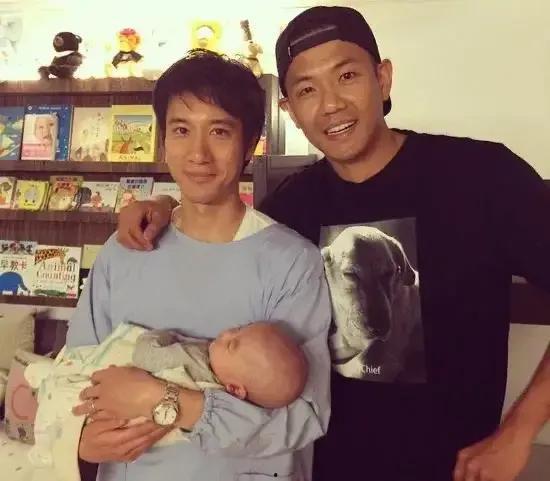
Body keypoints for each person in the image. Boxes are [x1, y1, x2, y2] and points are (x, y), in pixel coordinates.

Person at [117, 6, 550, 481]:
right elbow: (222, 224)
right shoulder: (289, 208)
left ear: (383, 79)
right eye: (307, 89)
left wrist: (519, 430)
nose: (330, 104)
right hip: (316, 468)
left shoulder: (482, 177)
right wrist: (164, 206)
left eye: (346, 76)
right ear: (289, 111)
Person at [68, 49, 331, 481]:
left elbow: (303, 417)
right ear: (162, 141)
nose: (198, 154)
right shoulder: (125, 249)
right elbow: (74, 370)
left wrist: (165, 400)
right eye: (181, 130)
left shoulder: (291, 264)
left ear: (250, 145)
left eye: (220, 132)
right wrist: (79, 439)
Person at [27, 321, 308, 481]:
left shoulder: (194, 363)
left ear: (235, 389)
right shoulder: (226, 398)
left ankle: (50, 386)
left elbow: (146, 354)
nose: (224, 333)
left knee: (71, 392)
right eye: (237, 330)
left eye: (232, 343)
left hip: (114, 400)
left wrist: (160, 336)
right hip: (106, 437)